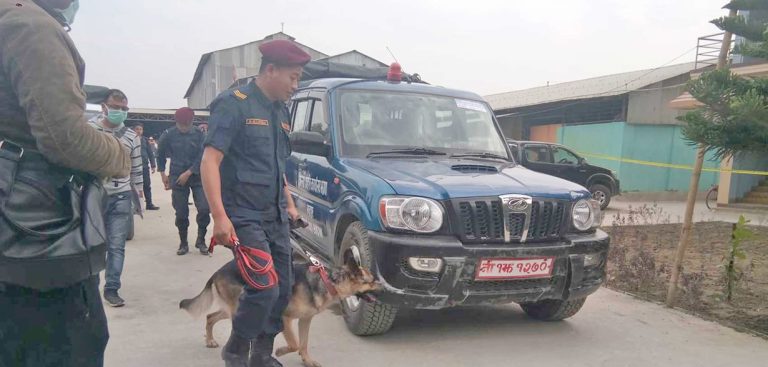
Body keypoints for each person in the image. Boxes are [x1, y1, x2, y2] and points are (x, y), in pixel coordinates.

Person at [0, 1, 130, 366]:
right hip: (36, 240)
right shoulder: (29, 25)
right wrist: (118, 156)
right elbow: (65, 138)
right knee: (70, 343)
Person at [201, 39, 309, 367]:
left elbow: (277, 167)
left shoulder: (281, 110)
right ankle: (235, 350)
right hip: (243, 215)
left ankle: (261, 354)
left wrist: (289, 203)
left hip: (275, 214)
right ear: (271, 70)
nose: (296, 85)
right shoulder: (234, 104)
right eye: (292, 77)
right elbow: (210, 161)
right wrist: (220, 218)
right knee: (264, 287)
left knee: (284, 288)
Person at [87, 89, 143, 307]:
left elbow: (137, 166)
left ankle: (111, 289)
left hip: (121, 195)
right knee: (91, 243)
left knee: (116, 245)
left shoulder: (131, 136)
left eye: (123, 108)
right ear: (104, 107)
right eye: (116, 107)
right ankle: (90, 285)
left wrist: (138, 192)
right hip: (93, 195)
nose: (120, 111)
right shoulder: (89, 129)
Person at [157, 107, 210, 255]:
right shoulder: (168, 135)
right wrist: (163, 174)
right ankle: (183, 242)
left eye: (186, 125)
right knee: (181, 212)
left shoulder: (200, 135)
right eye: (181, 125)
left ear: (192, 122)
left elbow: (203, 155)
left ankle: (201, 240)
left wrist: (189, 171)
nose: (184, 128)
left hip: (198, 176)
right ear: (176, 122)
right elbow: (160, 154)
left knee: (204, 209)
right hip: (177, 177)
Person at [132, 122, 159, 210]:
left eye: (140, 129)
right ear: (133, 130)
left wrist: (153, 165)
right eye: (137, 129)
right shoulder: (130, 139)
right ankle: (135, 205)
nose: (139, 131)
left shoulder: (145, 140)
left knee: (147, 185)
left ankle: (149, 203)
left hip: (144, 167)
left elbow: (150, 153)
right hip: (133, 168)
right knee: (134, 186)